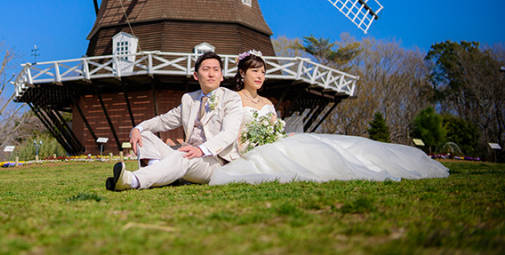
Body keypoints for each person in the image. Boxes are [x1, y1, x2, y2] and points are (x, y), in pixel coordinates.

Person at [209, 51, 450, 186]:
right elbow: (230, 132)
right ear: (242, 72)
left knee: (320, 150)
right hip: (249, 149)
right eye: (254, 71)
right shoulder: (232, 99)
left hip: (272, 143)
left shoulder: (268, 103)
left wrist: (279, 136)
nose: (260, 76)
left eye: (263, 72)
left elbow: (274, 129)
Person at [106, 51, 243, 191]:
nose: (211, 74)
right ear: (196, 75)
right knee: (145, 135)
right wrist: (137, 128)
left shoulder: (231, 98)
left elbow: (229, 133)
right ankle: (160, 174)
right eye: (206, 69)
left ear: (221, 76)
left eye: (216, 70)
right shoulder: (189, 99)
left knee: (182, 155)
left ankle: (133, 180)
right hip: (188, 155)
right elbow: (165, 120)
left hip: (215, 162)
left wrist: (201, 150)